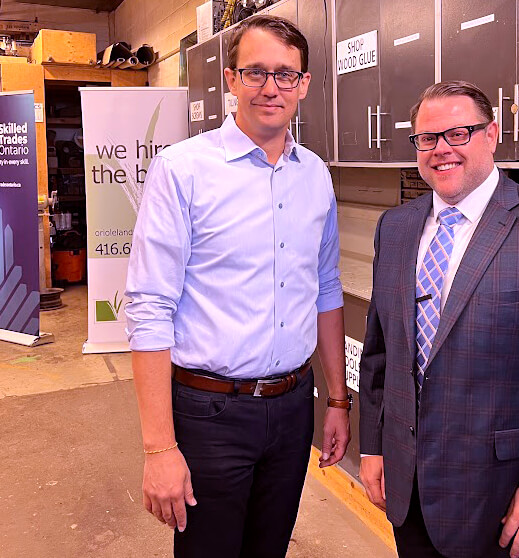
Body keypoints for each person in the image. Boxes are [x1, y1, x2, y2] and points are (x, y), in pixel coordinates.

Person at [358, 81, 519, 558]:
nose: (441, 149)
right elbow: (380, 355)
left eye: (458, 133)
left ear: (492, 134)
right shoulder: (395, 228)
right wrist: (374, 446)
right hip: (407, 488)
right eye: (427, 138)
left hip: (502, 499)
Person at [125, 15, 352, 558]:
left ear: (304, 84)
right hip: (210, 414)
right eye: (255, 72)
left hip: (294, 408)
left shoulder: (315, 175)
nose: (271, 87)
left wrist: (338, 400)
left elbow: (325, 288)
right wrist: (159, 448)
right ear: (231, 79)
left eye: (285, 74)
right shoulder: (182, 170)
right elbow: (150, 308)